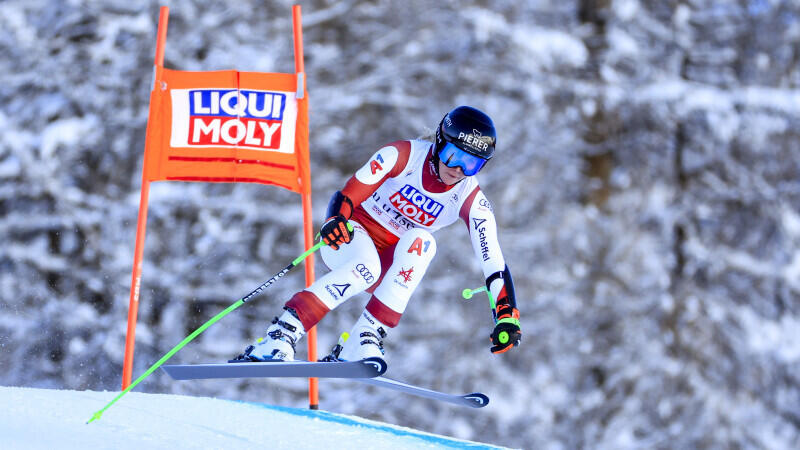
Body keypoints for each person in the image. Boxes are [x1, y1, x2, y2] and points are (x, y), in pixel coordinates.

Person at [235, 106, 521, 362]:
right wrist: (335, 220)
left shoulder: (470, 198)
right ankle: (280, 334)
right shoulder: (402, 155)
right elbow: (348, 194)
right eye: (453, 155)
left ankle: (364, 337)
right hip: (348, 237)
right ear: (438, 142)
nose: (458, 169)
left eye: (472, 164)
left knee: (423, 243)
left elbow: (493, 261)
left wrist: (506, 314)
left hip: (388, 263)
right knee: (366, 267)